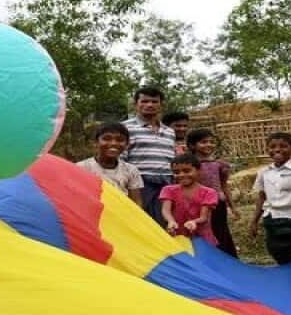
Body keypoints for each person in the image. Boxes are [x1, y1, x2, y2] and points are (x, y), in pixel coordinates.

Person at [251, 132, 291, 264]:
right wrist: (254, 221)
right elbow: (261, 197)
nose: (277, 149)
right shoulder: (264, 172)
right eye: (272, 146)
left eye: (283, 146)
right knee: (279, 254)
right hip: (273, 220)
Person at [121, 86, 177, 225]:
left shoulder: (169, 131)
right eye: (144, 101)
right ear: (136, 104)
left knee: (167, 223)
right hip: (140, 184)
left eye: (154, 101)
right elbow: (120, 159)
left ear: (161, 105)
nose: (149, 105)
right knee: (143, 223)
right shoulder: (125, 128)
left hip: (167, 183)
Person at [187, 128, 238, 257]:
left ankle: (227, 259)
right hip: (198, 205)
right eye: (203, 142)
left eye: (211, 142)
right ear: (192, 145)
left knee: (221, 231)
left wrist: (232, 206)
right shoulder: (189, 166)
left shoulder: (219, 165)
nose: (208, 145)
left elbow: (224, 185)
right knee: (202, 232)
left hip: (217, 204)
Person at [160, 153, 219, 245]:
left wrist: (194, 222)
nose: (181, 175)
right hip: (178, 237)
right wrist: (171, 221)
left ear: (199, 170)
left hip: (202, 238)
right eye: (176, 172)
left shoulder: (209, 192)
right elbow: (166, 210)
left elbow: (204, 217)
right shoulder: (168, 190)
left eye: (187, 171)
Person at [77, 122, 143, 203]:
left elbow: (136, 202)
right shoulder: (81, 168)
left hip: (120, 213)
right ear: (95, 142)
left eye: (120, 140)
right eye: (106, 139)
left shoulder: (131, 170)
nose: (113, 143)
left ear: (127, 145)